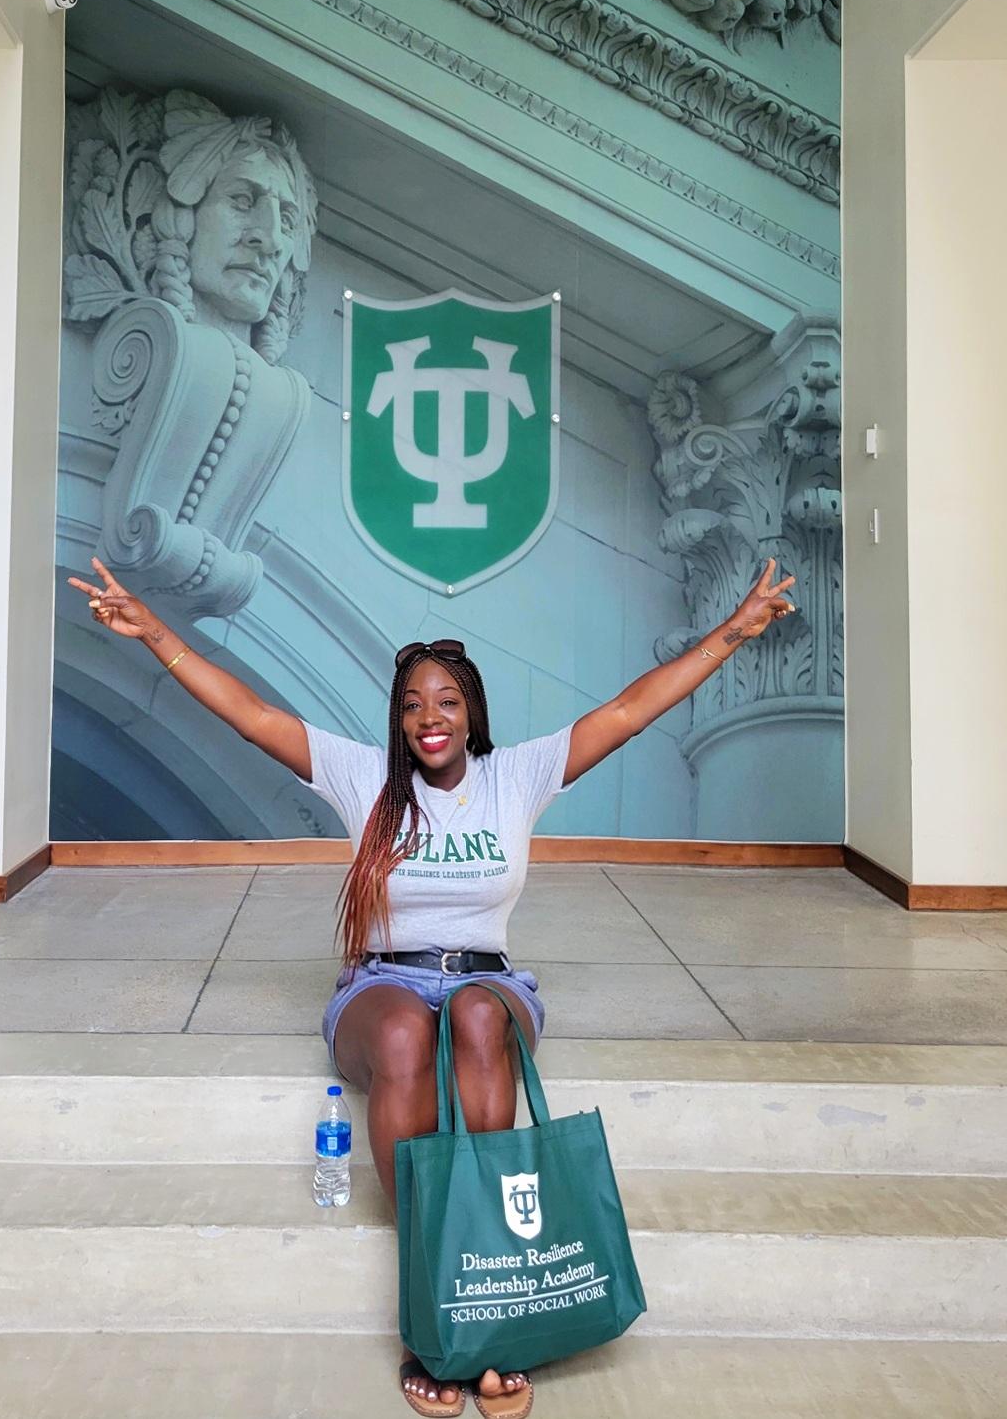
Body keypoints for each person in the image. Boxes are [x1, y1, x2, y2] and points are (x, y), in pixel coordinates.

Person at [68, 554, 795, 1417]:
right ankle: (438, 1303)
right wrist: (154, 631)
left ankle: (487, 1311)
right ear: (398, 720)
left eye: (446, 701)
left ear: (472, 711)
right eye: (412, 704)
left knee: (480, 1018)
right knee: (411, 1032)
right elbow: (253, 715)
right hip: (382, 985)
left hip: (489, 980)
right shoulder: (362, 777)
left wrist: (732, 633)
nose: (428, 718)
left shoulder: (515, 778)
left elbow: (631, 710)